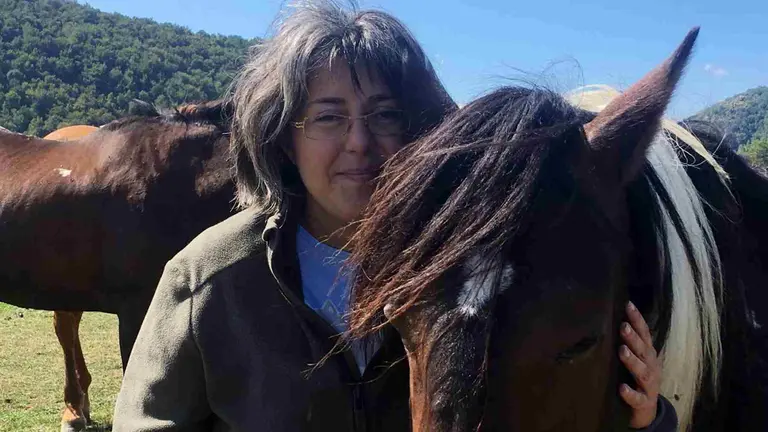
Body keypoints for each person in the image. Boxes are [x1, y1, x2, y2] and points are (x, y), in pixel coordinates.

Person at [112, 2, 677, 430]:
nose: (360, 141)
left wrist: (646, 419)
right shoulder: (209, 280)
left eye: (385, 115)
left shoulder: (462, 265)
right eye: (329, 117)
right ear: (285, 139)